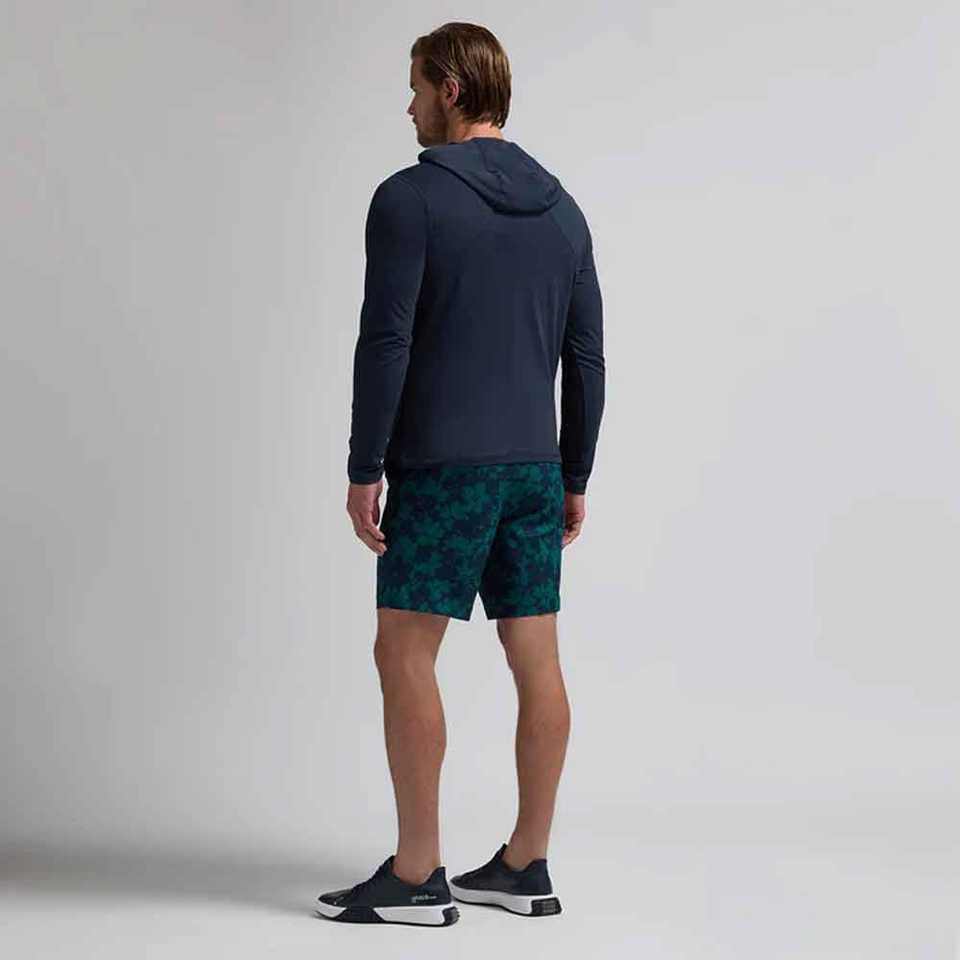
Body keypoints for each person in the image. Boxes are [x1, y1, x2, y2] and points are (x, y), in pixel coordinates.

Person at [317, 22, 605, 927]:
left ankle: (416, 875)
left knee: (404, 651)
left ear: (450, 88)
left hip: (443, 467)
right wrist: (574, 472)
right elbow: (586, 358)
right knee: (537, 658)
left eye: (415, 88)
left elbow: (386, 340)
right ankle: (526, 864)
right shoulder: (564, 211)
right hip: (533, 470)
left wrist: (365, 466)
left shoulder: (409, 199)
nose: (407, 107)